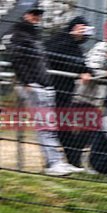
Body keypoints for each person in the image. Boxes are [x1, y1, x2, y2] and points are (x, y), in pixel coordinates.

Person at [8, 5, 76, 176]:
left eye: (38, 14)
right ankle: (54, 164)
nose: (36, 17)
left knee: (49, 127)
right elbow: (16, 59)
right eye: (33, 13)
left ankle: (54, 162)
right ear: (24, 14)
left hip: (44, 85)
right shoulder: (19, 35)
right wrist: (28, 82)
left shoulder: (34, 35)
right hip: (35, 86)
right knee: (45, 127)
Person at [45, 16, 93, 170]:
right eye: (81, 27)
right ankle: (57, 162)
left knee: (64, 128)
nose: (83, 32)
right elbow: (59, 56)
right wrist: (81, 69)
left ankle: (70, 161)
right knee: (55, 129)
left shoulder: (77, 48)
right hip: (53, 90)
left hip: (65, 92)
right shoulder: (60, 40)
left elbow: (81, 63)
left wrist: (85, 70)